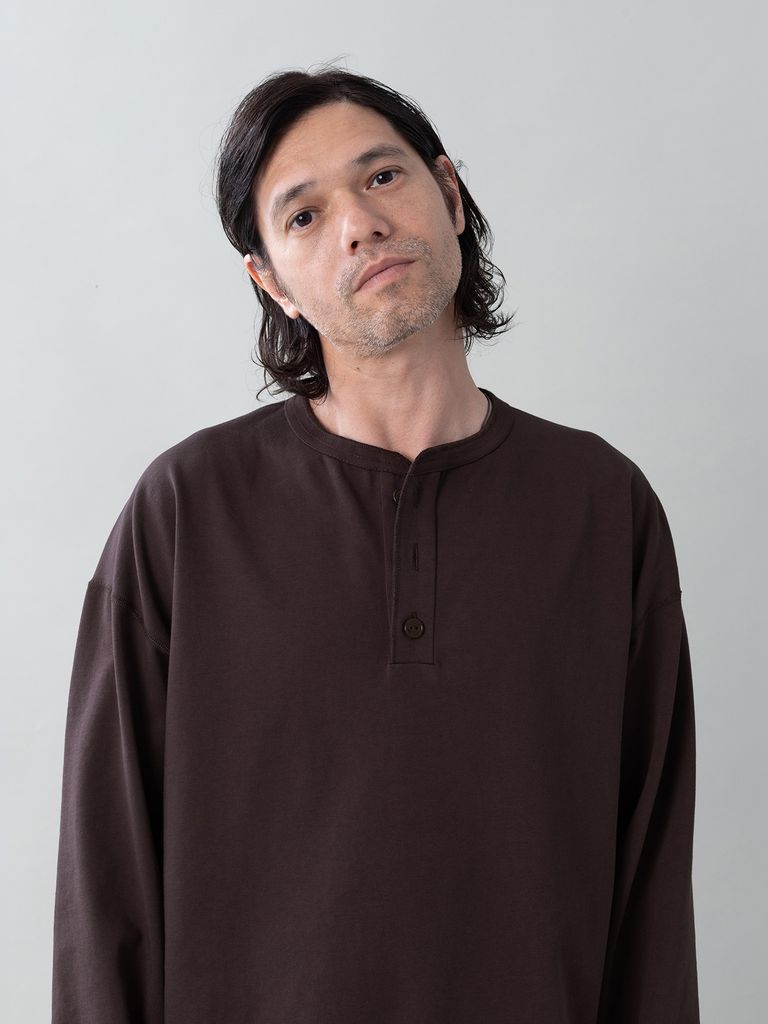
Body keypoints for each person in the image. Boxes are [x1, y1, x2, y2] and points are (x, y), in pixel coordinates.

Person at [52, 64, 701, 1023]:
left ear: (450, 195)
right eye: (304, 215)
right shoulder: (185, 511)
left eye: (383, 177)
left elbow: (650, 892)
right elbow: (105, 890)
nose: (358, 223)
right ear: (269, 280)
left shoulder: (604, 508)